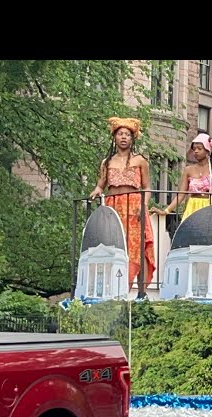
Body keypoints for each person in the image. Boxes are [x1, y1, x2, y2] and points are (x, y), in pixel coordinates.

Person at [89, 117, 155, 293]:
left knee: (138, 247)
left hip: (134, 207)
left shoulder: (140, 160)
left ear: (132, 139)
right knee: (113, 245)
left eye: (127, 134)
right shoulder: (107, 162)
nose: (124, 137)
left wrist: (144, 204)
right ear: (115, 138)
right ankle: (111, 288)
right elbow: (101, 184)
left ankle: (141, 292)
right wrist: (96, 190)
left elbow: (147, 187)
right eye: (120, 134)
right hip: (113, 207)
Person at [150, 133, 212, 222]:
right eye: (194, 149)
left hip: (208, 208)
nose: (196, 151)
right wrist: (166, 211)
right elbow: (181, 194)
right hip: (191, 208)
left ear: (207, 150)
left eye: (199, 148)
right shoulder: (188, 170)